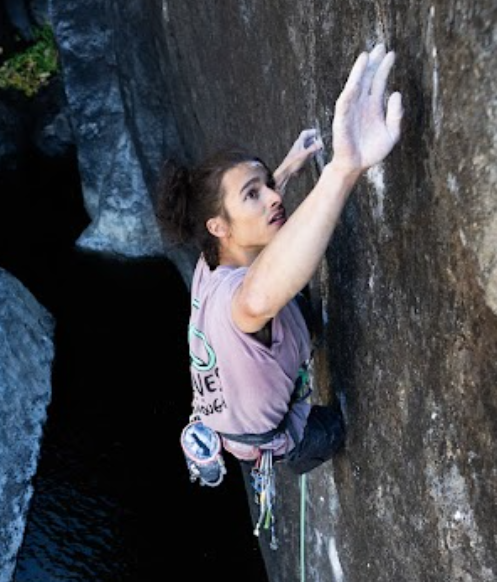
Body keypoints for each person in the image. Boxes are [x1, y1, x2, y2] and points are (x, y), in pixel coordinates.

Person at [157, 44, 403, 477]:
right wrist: (344, 169)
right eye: (254, 193)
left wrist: (288, 167)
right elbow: (254, 301)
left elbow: (254, 225)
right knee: (328, 431)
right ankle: (301, 449)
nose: (273, 197)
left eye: (267, 184)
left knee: (292, 300)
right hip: (261, 439)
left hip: (223, 409)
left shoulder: (211, 259)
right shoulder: (241, 300)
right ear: (219, 226)